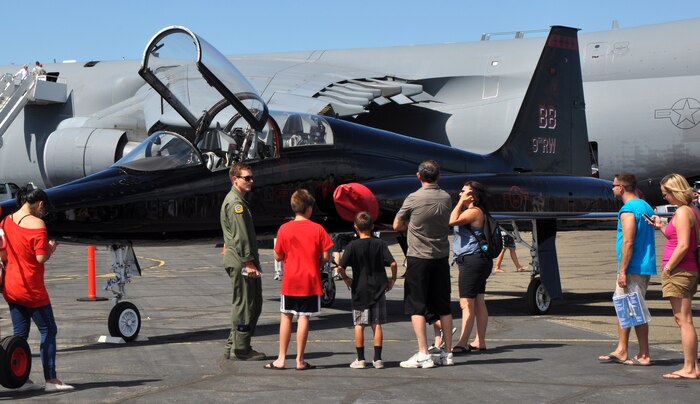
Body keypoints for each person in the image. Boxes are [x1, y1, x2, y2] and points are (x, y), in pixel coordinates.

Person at [0, 188, 74, 392]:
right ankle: (51, 380)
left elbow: (4, 254)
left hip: (11, 285)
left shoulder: (6, 220)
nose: (44, 213)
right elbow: (40, 258)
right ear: (40, 204)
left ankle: (19, 377)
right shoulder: (38, 225)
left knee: (19, 334)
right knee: (48, 329)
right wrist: (50, 248)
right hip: (31, 288)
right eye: (44, 209)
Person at [393, 160, 454, 368]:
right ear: (439, 176)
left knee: (416, 306)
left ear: (419, 176)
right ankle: (447, 353)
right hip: (440, 257)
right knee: (444, 307)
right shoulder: (446, 197)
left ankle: (423, 353)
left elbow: (396, 224)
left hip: (418, 257)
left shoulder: (414, 198)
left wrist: (412, 224)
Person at [266, 189, 333, 370]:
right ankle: (300, 360)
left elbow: (278, 256)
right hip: (310, 279)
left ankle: (281, 359)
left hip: (291, 279)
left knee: (286, 315)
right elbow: (326, 256)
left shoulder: (284, 228)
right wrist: (315, 261)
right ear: (309, 208)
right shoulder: (318, 229)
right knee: (304, 317)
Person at [597, 173, 656, 367]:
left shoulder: (628, 209)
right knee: (626, 307)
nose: (612, 188)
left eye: (614, 186)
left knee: (634, 308)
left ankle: (644, 354)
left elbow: (629, 241)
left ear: (621, 188)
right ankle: (622, 349)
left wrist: (622, 270)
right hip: (642, 265)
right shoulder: (644, 206)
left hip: (632, 267)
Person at [650, 173, 699, 379]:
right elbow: (680, 239)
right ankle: (692, 366)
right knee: (684, 319)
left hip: (680, 270)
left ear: (675, 191)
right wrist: (662, 227)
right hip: (687, 268)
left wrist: (669, 267)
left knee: (683, 320)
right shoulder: (693, 211)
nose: (665, 198)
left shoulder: (681, 213)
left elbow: (684, 244)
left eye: (666, 194)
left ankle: (689, 367)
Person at [337, 211, 397, 369]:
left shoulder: (352, 246)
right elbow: (393, 263)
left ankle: (360, 358)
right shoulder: (380, 244)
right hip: (378, 288)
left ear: (355, 227)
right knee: (376, 324)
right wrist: (392, 279)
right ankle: (378, 359)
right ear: (372, 226)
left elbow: (340, 267)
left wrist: (346, 278)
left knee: (359, 324)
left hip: (360, 288)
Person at [220, 162, 265, 361]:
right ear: (235, 179)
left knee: (250, 301)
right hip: (242, 259)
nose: (251, 181)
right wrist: (248, 262)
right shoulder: (235, 203)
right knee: (247, 304)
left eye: (251, 177)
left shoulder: (237, 201)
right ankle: (242, 349)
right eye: (247, 178)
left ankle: (232, 345)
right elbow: (241, 236)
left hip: (240, 257)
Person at [450, 181, 493, 354]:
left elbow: (452, 221)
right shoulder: (478, 211)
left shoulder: (473, 212)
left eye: (463, 192)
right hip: (480, 260)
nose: (460, 194)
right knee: (479, 300)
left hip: (471, 261)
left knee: (466, 303)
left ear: (472, 196)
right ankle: (479, 341)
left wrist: (459, 203)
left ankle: (462, 342)